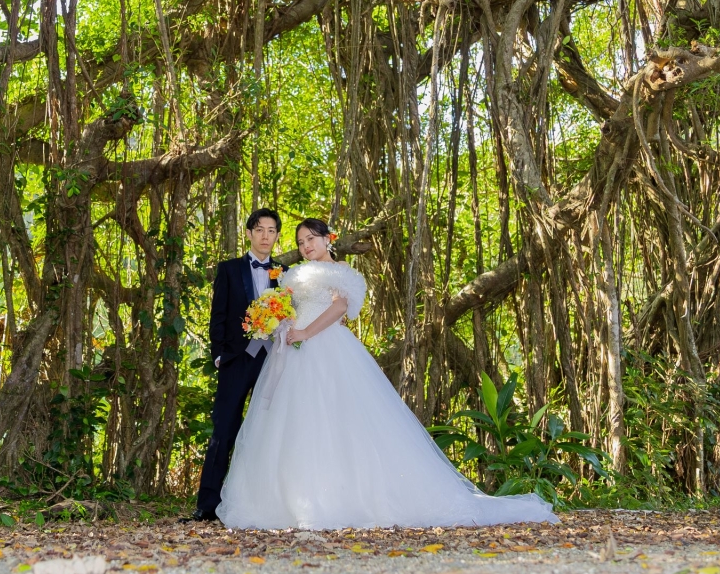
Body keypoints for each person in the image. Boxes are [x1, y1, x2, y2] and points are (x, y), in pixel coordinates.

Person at [215, 217, 558, 529]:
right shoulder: (293, 274)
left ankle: (340, 501)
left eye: (311, 239)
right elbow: (288, 305)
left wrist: (305, 332)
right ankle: (289, 501)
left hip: (327, 349)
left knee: (336, 422)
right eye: (301, 241)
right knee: (293, 424)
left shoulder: (341, 273)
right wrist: (281, 323)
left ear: (327, 239)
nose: (306, 247)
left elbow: (339, 307)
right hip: (291, 354)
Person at [191, 207, 283, 521]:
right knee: (224, 429)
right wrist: (219, 355)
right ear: (249, 232)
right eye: (259, 229)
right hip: (236, 360)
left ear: (277, 235)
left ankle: (264, 504)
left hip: (272, 361)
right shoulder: (229, 269)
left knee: (270, 431)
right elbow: (217, 316)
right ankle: (207, 505)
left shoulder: (283, 273)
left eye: (271, 230)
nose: (265, 236)